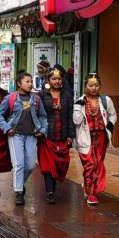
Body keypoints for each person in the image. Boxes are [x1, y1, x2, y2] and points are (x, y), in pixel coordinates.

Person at [0, 71, 47, 206]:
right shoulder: (10, 98)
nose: (30, 84)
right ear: (19, 83)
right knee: (19, 164)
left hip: (32, 135)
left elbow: (43, 116)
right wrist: (7, 128)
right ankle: (18, 193)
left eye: (31, 82)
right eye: (27, 81)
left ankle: (20, 184)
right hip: (15, 135)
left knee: (30, 165)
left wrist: (42, 130)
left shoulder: (36, 99)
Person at [73, 72, 117, 206]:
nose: (94, 88)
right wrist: (79, 106)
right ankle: (91, 194)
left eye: (96, 85)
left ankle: (89, 186)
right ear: (85, 86)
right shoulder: (80, 102)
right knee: (90, 164)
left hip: (101, 139)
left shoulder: (105, 100)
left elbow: (113, 115)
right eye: (91, 85)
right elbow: (76, 121)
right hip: (85, 139)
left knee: (97, 164)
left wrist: (109, 125)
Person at [38, 67, 75, 204]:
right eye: (54, 79)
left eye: (59, 79)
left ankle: (54, 186)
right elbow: (37, 115)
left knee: (60, 165)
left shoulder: (67, 95)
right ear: (48, 80)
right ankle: (50, 192)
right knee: (47, 165)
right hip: (47, 136)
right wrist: (39, 131)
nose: (57, 81)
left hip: (63, 134)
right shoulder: (42, 95)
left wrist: (71, 135)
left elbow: (70, 116)